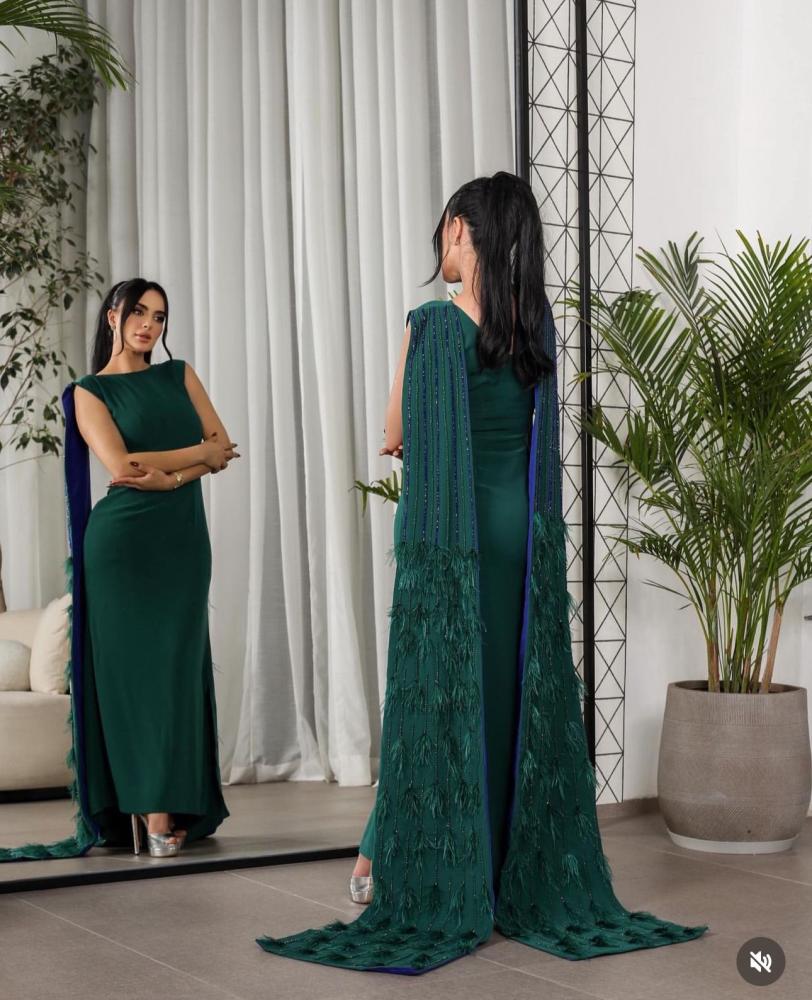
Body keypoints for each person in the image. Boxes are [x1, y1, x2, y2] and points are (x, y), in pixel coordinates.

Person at [255, 173, 709, 973]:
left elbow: (396, 431)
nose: (441, 241)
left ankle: (394, 860)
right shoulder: (533, 328)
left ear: (462, 229)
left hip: (453, 538)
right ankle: (447, 858)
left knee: (438, 695)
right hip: (517, 536)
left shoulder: (434, 324)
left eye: (445, 228)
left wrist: (411, 419)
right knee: (502, 696)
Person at [0, 278, 237, 861]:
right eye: (138, 313)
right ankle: (152, 815)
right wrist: (198, 456)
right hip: (122, 547)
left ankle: (175, 808)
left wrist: (172, 478)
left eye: (159, 316)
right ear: (112, 316)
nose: (149, 325)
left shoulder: (179, 375)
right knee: (137, 677)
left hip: (182, 542)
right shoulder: (89, 392)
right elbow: (122, 465)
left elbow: (224, 446)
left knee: (178, 672)